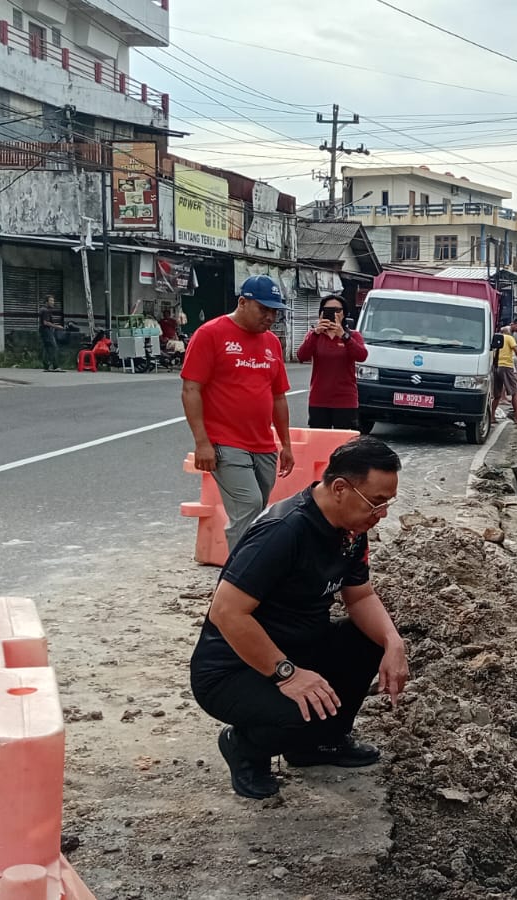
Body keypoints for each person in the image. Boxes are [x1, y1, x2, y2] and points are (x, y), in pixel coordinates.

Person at [191, 437, 408, 799]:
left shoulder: (351, 531)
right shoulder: (284, 531)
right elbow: (227, 612)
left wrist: (393, 641)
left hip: (301, 646)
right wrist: (287, 674)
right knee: (298, 710)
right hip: (236, 667)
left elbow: (360, 596)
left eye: (388, 502)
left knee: (369, 641)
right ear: (340, 488)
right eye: (377, 501)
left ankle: (319, 744)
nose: (382, 512)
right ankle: (245, 749)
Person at [182, 275, 297, 552]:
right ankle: (241, 572)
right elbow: (191, 389)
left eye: (275, 312)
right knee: (248, 504)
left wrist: (286, 444)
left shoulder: (272, 343)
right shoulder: (211, 334)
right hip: (225, 442)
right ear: (243, 303)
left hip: (263, 444)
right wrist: (202, 443)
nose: (270, 317)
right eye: (263, 309)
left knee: (257, 511)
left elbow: (278, 397)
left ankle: (249, 565)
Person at [297, 294, 368, 431]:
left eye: (337, 310)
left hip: (345, 400)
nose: (334, 314)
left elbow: (362, 356)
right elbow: (302, 356)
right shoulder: (315, 335)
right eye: (328, 310)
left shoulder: (353, 336)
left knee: (345, 441)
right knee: (319, 440)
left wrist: (344, 336)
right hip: (319, 399)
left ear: (344, 313)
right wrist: (316, 333)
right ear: (321, 313)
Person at [491, 324, 517, 425]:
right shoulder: (509, 338)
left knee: (497, 395)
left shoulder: (495, 340)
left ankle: (492, 417)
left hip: (496, 367)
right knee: (515, 392)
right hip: (506, 366)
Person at [39, 296, 63, 372]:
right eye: (51, 301)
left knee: (46, 348)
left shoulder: (43, 309)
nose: (53, 302)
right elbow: (45, 322)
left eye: (53, 301)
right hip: (46, 330)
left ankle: (46, 366)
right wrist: (57, 327)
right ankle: (55, 366)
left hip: (43, 330)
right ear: (46, 302)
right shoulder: (45, 310)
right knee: (53, 347)